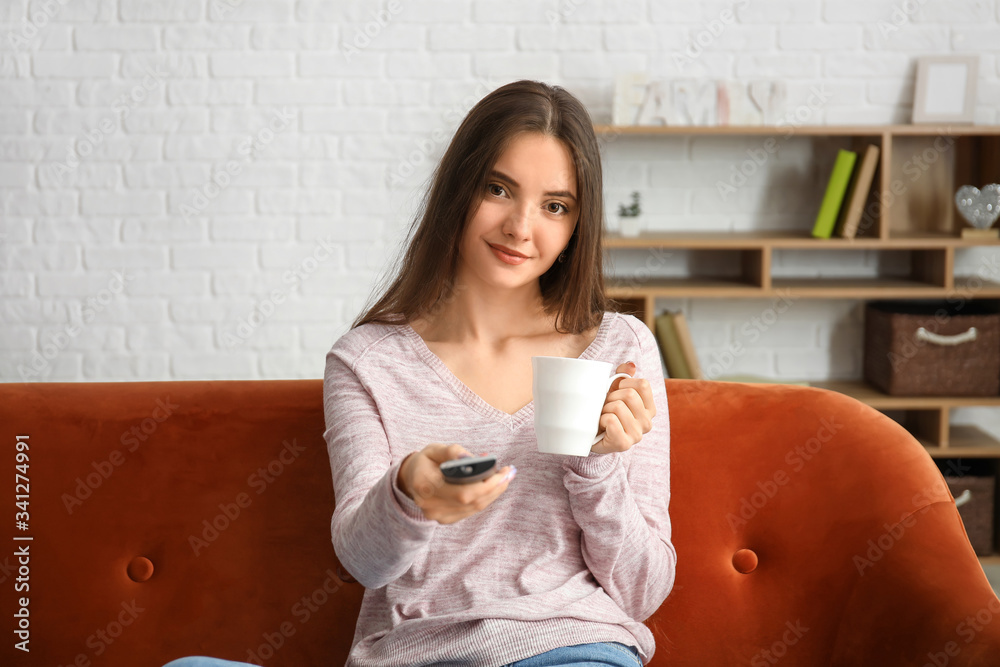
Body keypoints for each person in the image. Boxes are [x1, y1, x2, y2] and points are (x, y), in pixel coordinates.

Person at [163, 79, 675, 667]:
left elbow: (643, 591)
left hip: (569, 650)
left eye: (555, 206)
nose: (521, 227)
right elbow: (365, 561)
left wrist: (597, 467)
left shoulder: (620, 345)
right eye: (498, 189)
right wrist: (410, 495)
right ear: (458, 190)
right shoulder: (367, 360)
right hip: (413, 656)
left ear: (576, 226)